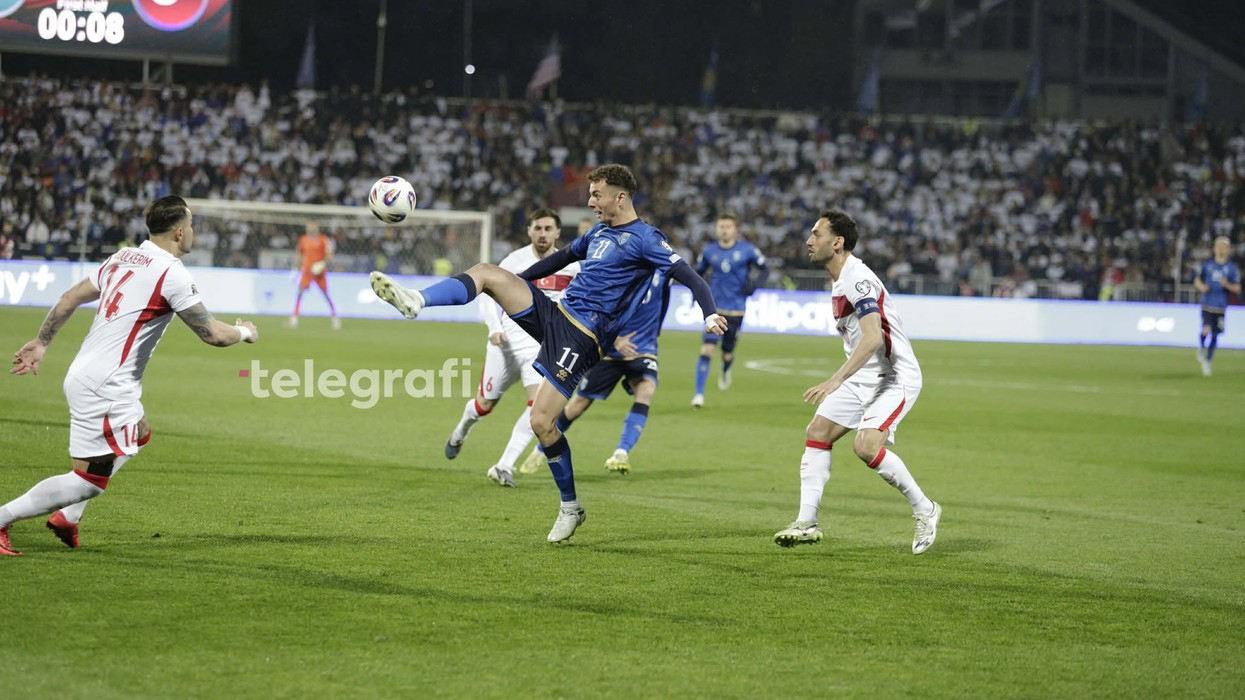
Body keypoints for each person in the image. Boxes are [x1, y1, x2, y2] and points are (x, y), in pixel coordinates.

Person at [370, 164, 726, 542]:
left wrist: (710, 313)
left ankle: (570, 507)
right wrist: (516, 284)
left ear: (620, 197)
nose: (590, 202)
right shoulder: (600, 234)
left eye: (596, 195)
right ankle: (417, 300)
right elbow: (558, 261)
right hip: (558, 315)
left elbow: (690, 276)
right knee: (489, 273)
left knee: (541, 423)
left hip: (583, 339)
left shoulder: (646, 238)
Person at [2, 195, 259, 556]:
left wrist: (42, 342)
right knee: (87, 482)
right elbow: (212, 334)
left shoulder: (122, 257)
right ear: (180, 231)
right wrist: (246, 332)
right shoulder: (172, 273)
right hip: (106, 385)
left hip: (91, 374)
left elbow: (70, 297)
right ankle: (4, 519)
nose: (193, 233)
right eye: (192, 226)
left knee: (140, 431)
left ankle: (68, 518)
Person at [772, 209, 940, 555]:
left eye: (816, 235)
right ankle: (807, 523)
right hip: (864, 376)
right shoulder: (839, 279)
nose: (808, 241)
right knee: (817, 432)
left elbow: (873, 338)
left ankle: (926, 509)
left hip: (895, 377)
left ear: (837, 242)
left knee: (865, 447)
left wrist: (836, 379)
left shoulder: (856, 278)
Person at [444, 208, 580, 488]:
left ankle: (504, 465)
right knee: (484, 406)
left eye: (548, 229)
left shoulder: (572, 267)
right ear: (529, 230)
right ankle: (461, 430)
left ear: (557, 232)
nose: (542, 234)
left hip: (542, 344)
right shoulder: (514, 261)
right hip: (506, 341)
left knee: (538, 408)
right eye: (537, 228)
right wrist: (494, 328)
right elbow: (487, 295)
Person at [522, 270, 670, 476]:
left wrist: (654, 335)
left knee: (647, 389)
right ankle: (539, 450)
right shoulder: (618, 270)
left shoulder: (662, 271)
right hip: (610, 350)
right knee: (577, 406)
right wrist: (615, 340)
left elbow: (664, 302)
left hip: (643, 348)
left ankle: (621, 453)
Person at [691, 214, 766, 408]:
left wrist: (754, 287)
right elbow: (697, 274)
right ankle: (698, 395)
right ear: (717, 229)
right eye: (721, 226)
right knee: (707, 350)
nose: (724, 230)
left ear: (735, 230)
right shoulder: (709, 251)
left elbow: (765, 269)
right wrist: (695, 295)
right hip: (714, 310)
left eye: (727, 226)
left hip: (736, 310)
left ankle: (725, 369)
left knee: (727, 353)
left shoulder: (747, 250)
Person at [1193, 236, 1240, 377]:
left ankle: (1208, 361)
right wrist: (1202, 287)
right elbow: (1197, 280)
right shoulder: (1207, 265)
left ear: (1227, 250)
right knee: (1206, 330)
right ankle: (1201, 347)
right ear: (1214, 248)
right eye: (1218, 246)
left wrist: (1228, 285)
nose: (1220, 248)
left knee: (1215, 334)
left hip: (1220, 306)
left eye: (1223, 246)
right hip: (1207, 304)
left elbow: (1237, 288)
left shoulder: (1231, 268)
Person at [290, 221, 341, 330]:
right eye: (308, 226)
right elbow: (299, 254)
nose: (310, 228)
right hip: (307, 271)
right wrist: (295, 269)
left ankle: (335, 317)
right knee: (300, 293)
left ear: (317, 228)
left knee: (326, 294)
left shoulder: (323, 240)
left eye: (312, 226)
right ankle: (294, 319)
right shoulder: (303, 239)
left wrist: (322, 263)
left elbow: (329, 255)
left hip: (319, 272)